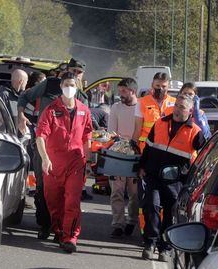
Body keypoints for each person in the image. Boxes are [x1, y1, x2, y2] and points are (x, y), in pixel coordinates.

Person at [17, 58, 90, 241]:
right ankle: (45, 225)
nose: (74, 76)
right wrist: (21, 116)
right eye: (72, 71)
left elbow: (87, 127)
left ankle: (65, 232)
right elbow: (25, 97)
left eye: (78, 74)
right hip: (46, 149)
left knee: (69, 196)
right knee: (44, 189)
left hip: (72, 156)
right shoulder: (49, 86)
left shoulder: (81, 98)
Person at [138, 94, 205, 261]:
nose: (177, 110)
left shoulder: (195, 132)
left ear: (190, 111)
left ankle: (165, 247)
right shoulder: (160, 123)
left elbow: (203, 155)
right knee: (151, 207)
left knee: (170, 213)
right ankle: (150, 243)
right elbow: (148, 147)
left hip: (175, 181)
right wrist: (141, 167)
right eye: (176, 106)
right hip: (154, 175)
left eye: (182, 107)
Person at [35, 72, 93, 253]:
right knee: (54, 202)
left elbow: (87, 136)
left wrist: (89, 161)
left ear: (77, 87)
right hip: (53, 164)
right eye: (66, 84)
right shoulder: (51, 110)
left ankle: (70, 237)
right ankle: (59, 230)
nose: (69, 88)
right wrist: (45, 159)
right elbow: (40, 136)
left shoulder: (84, 110)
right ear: (61, 86)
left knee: (72, 201)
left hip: (76, 163)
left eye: (72, 85)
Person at [107, 78, 139, 238]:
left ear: (133, 91)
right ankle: (118, 224)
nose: (121, 94)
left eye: (124, 91)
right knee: (117, 191)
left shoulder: (141, 108)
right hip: (118, 153)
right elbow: (111, 131)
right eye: (120, 91)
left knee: (134, 193)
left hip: (136, 155)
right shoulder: (116, 107)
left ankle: (132, 222)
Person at [132, 72, 176, 153]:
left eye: (164, 86)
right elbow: (137, 128)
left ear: (168, 86)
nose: (160, 89)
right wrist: (134, 146)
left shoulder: (175, 103)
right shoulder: (142, 102)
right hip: (146, 147)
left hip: (167, 148)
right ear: (152, 85)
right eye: (158, 86)